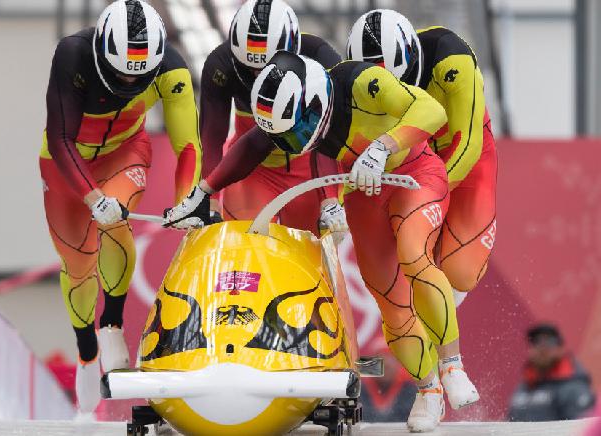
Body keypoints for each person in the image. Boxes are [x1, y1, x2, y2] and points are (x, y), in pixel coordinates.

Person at [164, 52, 479, 432]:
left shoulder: (363, 83)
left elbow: (431, 111)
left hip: (414, 175)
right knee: (389, 301)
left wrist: (382, 147)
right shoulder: (289, 117)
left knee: (413, 255)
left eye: (296, 132)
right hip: (366, 191)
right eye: (283, 136)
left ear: (313, 101)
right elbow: (248, 149)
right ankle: (428, 390)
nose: (292, 143)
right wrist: (203, 191)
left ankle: (452, 364)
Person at [40, 0, 202, 416]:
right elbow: (60, 137)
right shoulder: (73, 53)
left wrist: (188, 198)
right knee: (78, 266)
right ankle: (87, 349)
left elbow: (187, 144)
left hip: (125, 153)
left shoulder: (172, 68)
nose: (130, 78)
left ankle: (111, 323)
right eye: (121, 72)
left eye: (140, 73)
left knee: (117, 226)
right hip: (67, 162)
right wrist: (92, 198)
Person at [346, 10, 498, 308]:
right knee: (402, 258)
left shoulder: (450, 57)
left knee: (461, 273)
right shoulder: (353, 76)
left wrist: (429, 195)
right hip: (411, 154)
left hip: (464, 154)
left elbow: (468, 143)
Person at [199, 0, 346, 236]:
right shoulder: (221, 65)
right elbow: (212, 138)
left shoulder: (320, 56)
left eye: (267, 68)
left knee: (312, 256)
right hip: (252, 170)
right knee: (244, 250)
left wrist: (329, 198)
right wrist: (210, 202)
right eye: (250, 68)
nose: (259, 77)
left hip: (309, 170)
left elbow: (332, 129)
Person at [508, 324, 595, 422]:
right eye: (536, 341)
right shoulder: (522, 389)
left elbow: (584, 429)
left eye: (550, 341)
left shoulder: (574, 387)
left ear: (561, 349)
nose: (542, 348)